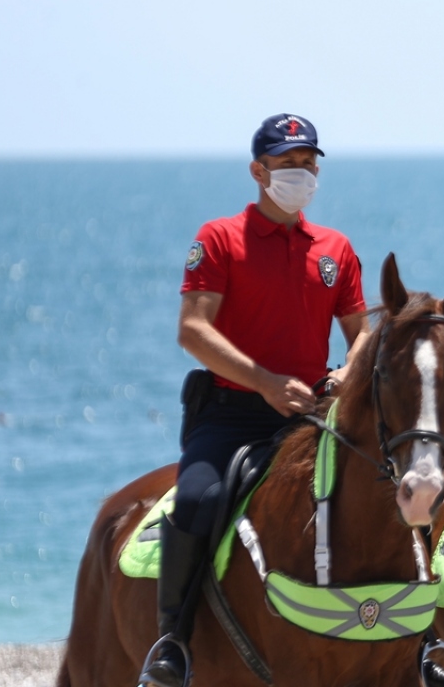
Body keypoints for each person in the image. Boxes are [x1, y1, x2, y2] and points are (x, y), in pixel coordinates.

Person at [140, 113, 370, 687]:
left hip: (312, 418)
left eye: (308, 162)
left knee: (387, 492)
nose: (301, 172)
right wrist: (264, 380)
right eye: (287, 162)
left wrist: (349, 371)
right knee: (197, 499)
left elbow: (361, 333)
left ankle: (416, 636)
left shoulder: (335, 248)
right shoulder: (220, 238)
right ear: (258, 171)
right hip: (232, 416)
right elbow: (193, 329)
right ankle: (174, 641)